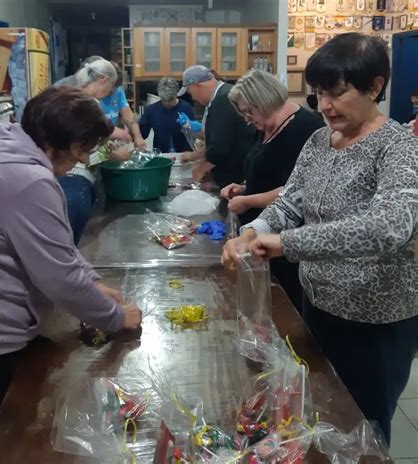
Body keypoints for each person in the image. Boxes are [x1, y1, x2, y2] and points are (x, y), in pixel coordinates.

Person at [222, 33, 417, 445]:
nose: (325, 106)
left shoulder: (398, 147)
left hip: (374, 321)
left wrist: (287, 243)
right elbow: (290, 202)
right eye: (318, 95)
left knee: (364, 428)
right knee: (318, 413)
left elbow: (388, 227)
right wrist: (253, 230)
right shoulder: (318, 141)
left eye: (337, 93)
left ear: (375, 87)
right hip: (318, 307)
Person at [0, 87, 142, 464]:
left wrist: (93, 283)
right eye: (81, 148)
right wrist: (117, 318)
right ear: (55, 140)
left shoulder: (5, 154)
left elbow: (55, 249)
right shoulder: (28, 179)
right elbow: (60, 278)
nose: (82, 158)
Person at [222, 70, 324, 312]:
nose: (246, 118)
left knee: (286, 307)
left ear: (264, 100)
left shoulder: (306, 129)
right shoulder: (264, 126)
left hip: (288, 242)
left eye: (249, 111)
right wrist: (244, 188)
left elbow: (295, 191)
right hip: (264, 230)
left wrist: (248, 201)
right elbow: (269, 174)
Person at [55, 58, 129, 244]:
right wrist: (114, 155)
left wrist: (105, 144)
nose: (108, 94)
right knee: (69, 243)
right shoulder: (86, 105)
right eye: (110, 87)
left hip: (61, 177)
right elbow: (81, 153)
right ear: (103, 80)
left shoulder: (65, 94)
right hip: (74, 181)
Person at [178, 65, 256, 188]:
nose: (192, 97)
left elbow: (219, 148)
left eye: (190, 92)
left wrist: (200, 171)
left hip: (236, 175)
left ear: (197, 85)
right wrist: (193, 156)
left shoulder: (222, 101)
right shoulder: (224, 93)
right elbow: (216, 141)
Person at [139, 77, 195, 153]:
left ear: (176, 94)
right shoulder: (151, 110)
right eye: (164, 100)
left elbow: (194, 134)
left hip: (184, 155)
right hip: (161, 156)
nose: (167, 103)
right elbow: (142, 134)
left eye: (170, 100)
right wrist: (136, 135)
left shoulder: (187, 109)